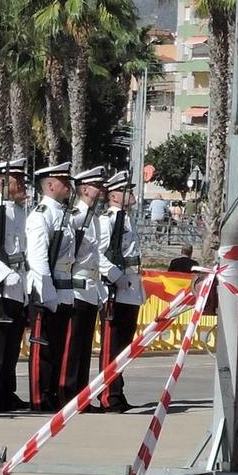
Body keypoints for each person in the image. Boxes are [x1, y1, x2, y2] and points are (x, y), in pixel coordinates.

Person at [25, 162, 78, 411]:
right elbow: (38, 259)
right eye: (64, 182)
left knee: (58, 347)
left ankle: (53, 393)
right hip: (47, 289)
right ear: (50, 185)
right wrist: (49, 295)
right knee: (43, 347)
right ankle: (39, 396)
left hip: (64, 287)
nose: (69, 186)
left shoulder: (63, 214)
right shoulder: (41, 214)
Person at [60, 167, 109, 404]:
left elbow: (96, 257)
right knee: (73, 346)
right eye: (96, 186)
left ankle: (81, 394)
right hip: (77, 286)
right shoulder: (76, 217)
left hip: (90, 286)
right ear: (85, 189)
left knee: (85, 347)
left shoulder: (95, 219)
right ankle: (69, 393)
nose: (100, 191)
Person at [0, 159, 30, 413]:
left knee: (12, 346)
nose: (23, 185)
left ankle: (7, 391)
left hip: (18, 282)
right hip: (2, 285)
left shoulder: (20, 212)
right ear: (3, 183)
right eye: (18, 181)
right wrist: (3, 274)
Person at [96, 174, 142, 411]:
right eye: (126, 190)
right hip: (115, 291)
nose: (131, 194)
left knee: (123, 347)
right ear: (113, 196)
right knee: (111, 348)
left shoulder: (127, 220)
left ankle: (117, 392)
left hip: (130, 290)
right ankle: (107, 395)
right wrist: (116, 276)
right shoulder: (107, 221)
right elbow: (96, 254)